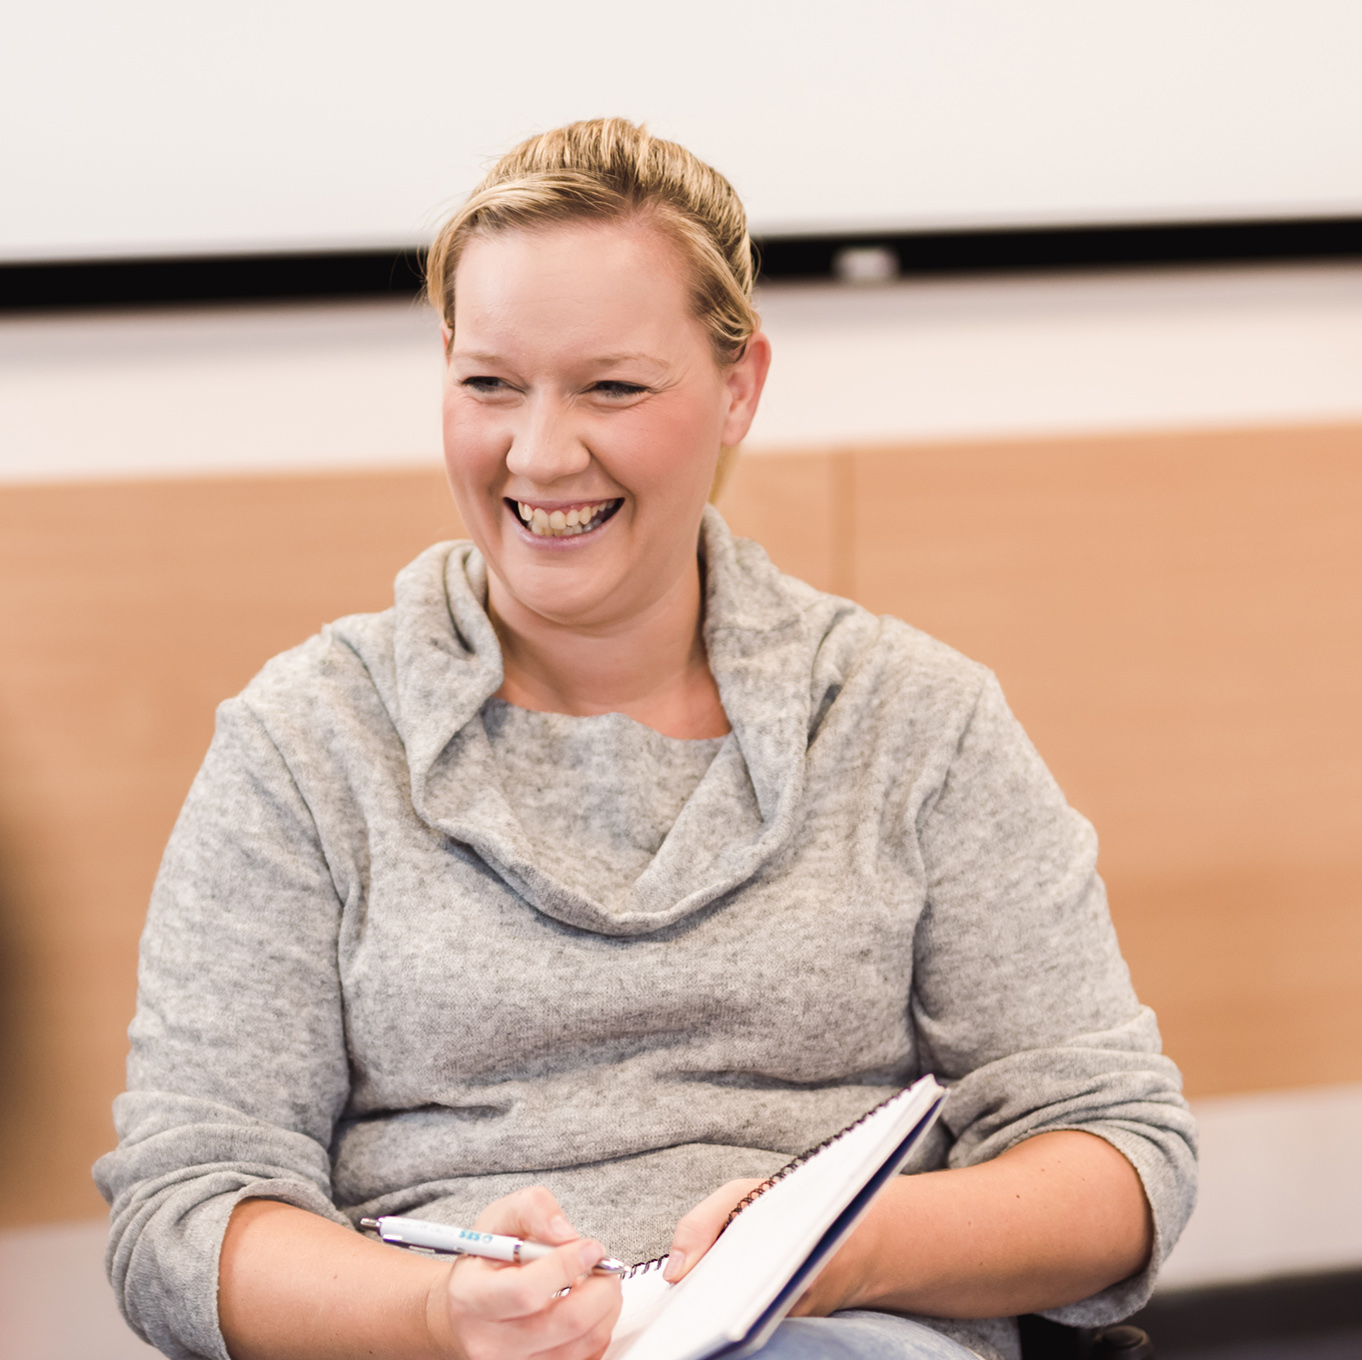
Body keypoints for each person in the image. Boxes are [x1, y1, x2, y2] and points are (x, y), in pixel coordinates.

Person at [95, 119, 1196, 1360]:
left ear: (739, 388)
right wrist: (435, 1317)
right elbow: (184, 1215)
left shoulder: (911, 720)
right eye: (489, 383)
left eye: (612, 386)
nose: (540, 452)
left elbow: (1120, 1156)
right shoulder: (305, 744)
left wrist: (833, 1249)